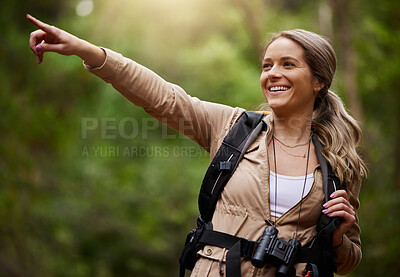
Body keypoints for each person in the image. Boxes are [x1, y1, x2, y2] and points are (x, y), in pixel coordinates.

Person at [27, 14, 367, 276]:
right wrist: (86, 50)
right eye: (266, 65)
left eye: (288, 64)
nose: (272, 74)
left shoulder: (337, 161)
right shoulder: (233, 127)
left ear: (319, 80)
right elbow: (162, 96)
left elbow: (348, 260)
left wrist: (337, 237)